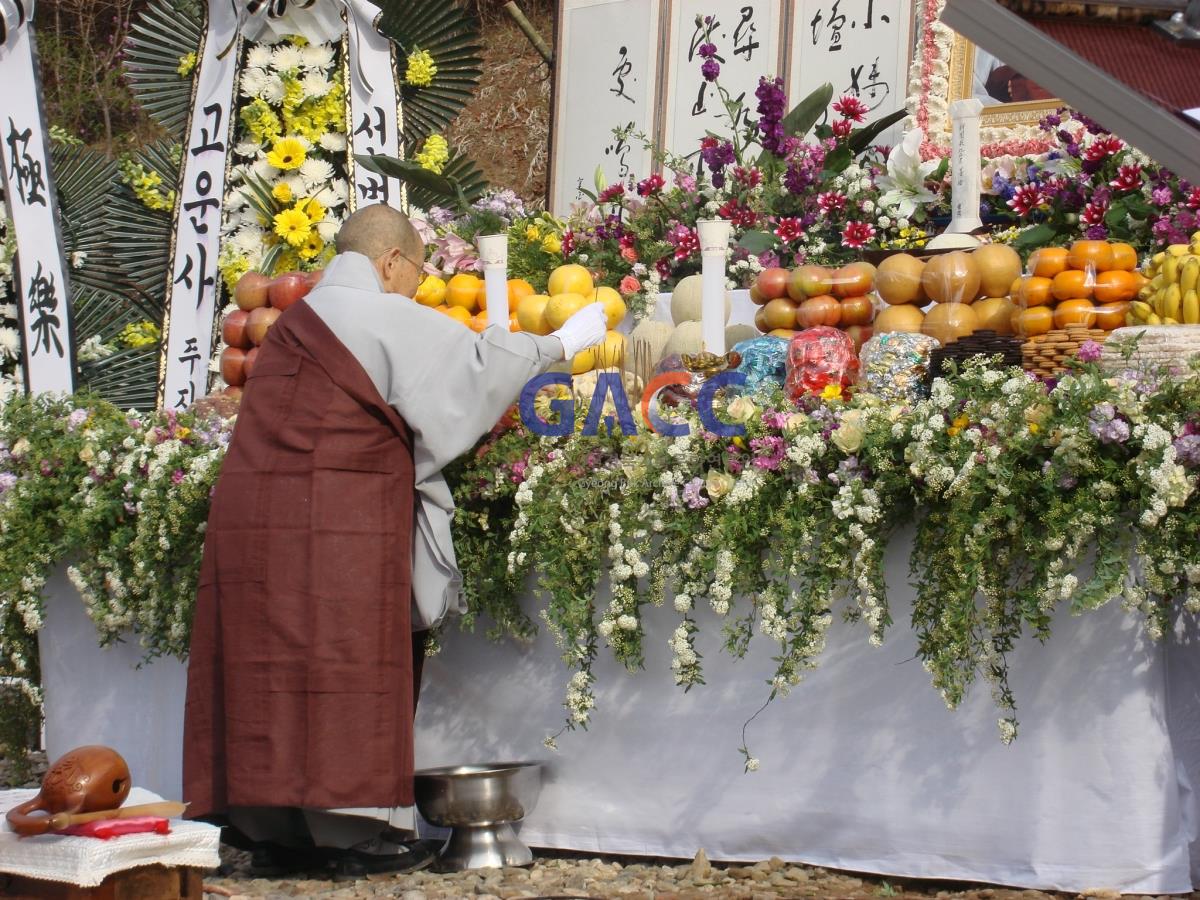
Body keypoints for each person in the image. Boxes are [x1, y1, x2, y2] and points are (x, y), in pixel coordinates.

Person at [183, 204, 607, 877]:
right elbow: (475, 365)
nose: (417, 288)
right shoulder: (372, 312)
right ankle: (347, 833)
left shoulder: (300, 317)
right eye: (417, 272)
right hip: (332, 518)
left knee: (264, 664)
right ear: (390, 262)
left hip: (253, 514)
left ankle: (270, 829)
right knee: (339, 660)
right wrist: (560, 344)